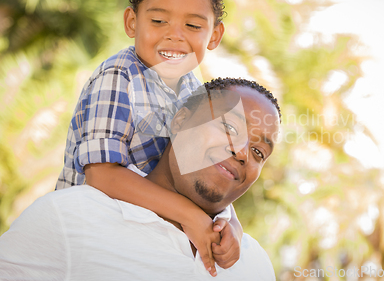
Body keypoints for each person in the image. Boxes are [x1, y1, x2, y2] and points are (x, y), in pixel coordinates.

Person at [55, 0, 238, 274]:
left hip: (142, 241)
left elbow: (202, 171)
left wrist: (228, 222)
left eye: (193, 25)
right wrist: (190, 215)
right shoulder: (118, 76)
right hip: (88, 234)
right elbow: (101, 174)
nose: (175, 34)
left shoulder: (196, 94)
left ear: (215, 36)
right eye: (158, 21)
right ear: (131, 22)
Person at [0, 78, 281, 280]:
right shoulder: (68, 218)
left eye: (258, 151)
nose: (243, 152)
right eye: (229, 127)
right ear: (180, 121)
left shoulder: (255, 265)